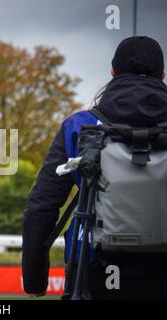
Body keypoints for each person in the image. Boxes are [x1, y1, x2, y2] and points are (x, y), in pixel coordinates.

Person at [22, 36, 167, 300]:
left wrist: (34, 279)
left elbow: (42, 206)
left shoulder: (80, 125)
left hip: (91, 272)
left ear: (112, 73)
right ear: (163, 75)